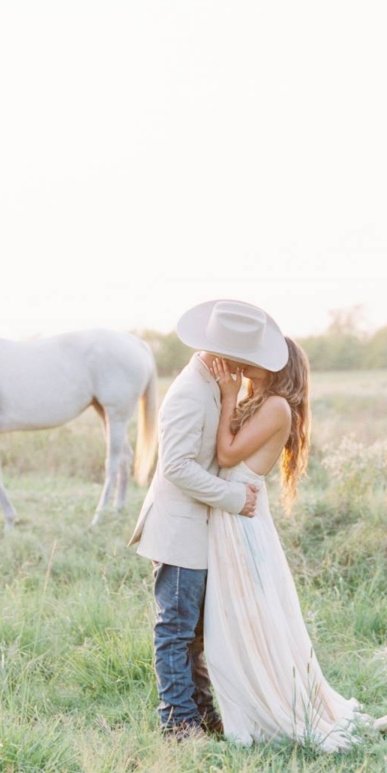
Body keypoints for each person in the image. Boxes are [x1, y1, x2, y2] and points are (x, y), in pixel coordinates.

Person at [187, 303, 387, 751]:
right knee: (234, 618)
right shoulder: (260, 402)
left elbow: (226, 456)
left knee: (248, 616)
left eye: (256, 362)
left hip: (241, 520)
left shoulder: (278, 408)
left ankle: (267, 702)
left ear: (276, 369)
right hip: (231, 513)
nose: (246, 366)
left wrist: (227, 396)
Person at [128, 299, 277, 741]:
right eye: (247, 360)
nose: (251, 369)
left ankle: (201, 712)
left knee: (195, 633)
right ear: (226, 355)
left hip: (199, 529)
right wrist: (233, 497)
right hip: (179, 530)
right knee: (175, 630)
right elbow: (175, 466)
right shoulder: (191, 391)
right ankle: (177, 723)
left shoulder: (215, 384)